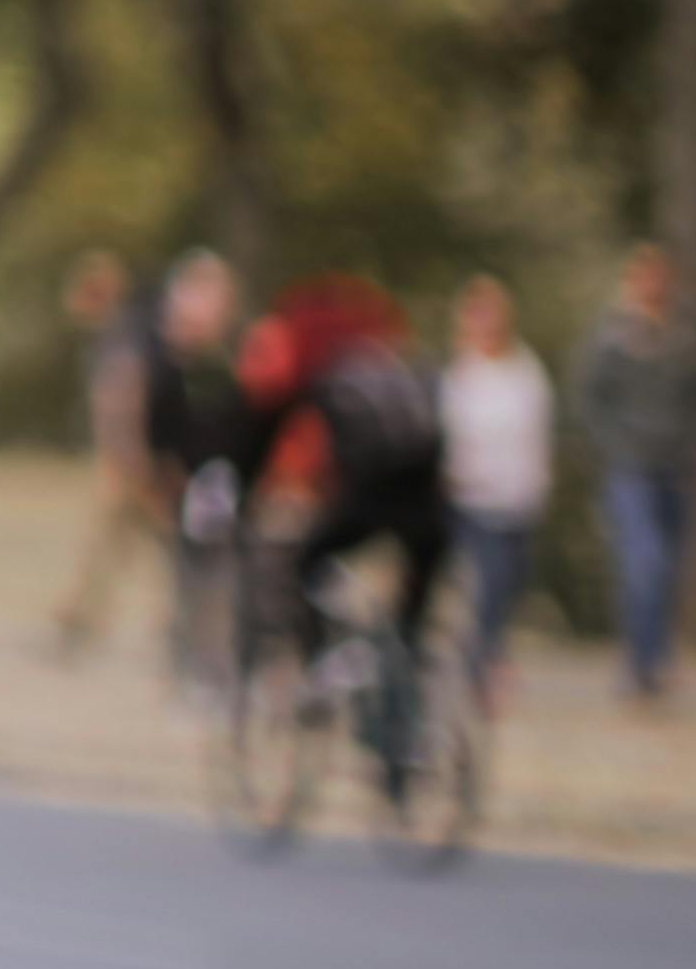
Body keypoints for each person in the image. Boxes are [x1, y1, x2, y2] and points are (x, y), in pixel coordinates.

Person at [232, 277, 451, 723]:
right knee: (408, 623)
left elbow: (268, 432)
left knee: (304, 563)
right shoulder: (408, 366)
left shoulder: (328, 373)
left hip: (370, 501)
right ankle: (413, 732)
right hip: (432, 513)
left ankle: (324, 667)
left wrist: (242, 491)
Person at [575, 241, 696, 706]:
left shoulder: (684, 334)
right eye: (645, 276)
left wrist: (693, 446)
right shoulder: (611, 336)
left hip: (674, 467)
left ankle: (657, 658)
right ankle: (637, 663)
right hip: (630, 467)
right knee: (643, 562)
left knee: (667, 567)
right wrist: (615, 446)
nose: (654, 285)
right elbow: (590, 400)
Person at [135, 251, 256, 691]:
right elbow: (154, 426)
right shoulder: (167, 360)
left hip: (225, 486)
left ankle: (216, 668)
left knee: (225, 581)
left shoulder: (232, 361)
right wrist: (160, 476)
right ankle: (186, 669)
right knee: (187, 580)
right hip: (181, 482)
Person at [440, 274, 553, 706]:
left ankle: (489, 654)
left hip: (517, 495)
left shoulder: (525, 371)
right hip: (473, 497)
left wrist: (538, 483)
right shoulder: (458, 376)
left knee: (511, 583)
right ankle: (483, 664)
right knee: (488, 581)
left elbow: (537, 433)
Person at [48, 250, 153, 661]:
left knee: (123, 539)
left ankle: (80, 613)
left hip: (122, 458)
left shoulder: (120, 338)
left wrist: (127, 454)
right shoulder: (120, 335)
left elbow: (122, 400)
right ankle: (84, 614)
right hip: (120, 456)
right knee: (118, 541)